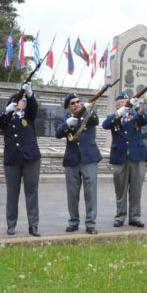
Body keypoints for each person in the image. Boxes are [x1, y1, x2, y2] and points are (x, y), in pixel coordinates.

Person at [0, 83, 42, 236]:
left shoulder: (28, 116)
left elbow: (34, 108)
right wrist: (7, 111)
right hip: (12, 160)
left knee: (31, 193)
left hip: (31, 159)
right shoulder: (6, 119)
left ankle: (33, 225)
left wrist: (30, 94)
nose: (20, 102)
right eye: (16, 101)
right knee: (12, 194)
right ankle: (11, 224)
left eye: (20, 100)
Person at [55, 93, 102, 234]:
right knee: (72, 194)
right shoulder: (65, 119)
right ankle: (73, 222)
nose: (76, 104)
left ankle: (91, 224)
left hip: (89, 158)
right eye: (73, 103)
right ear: (68, 107)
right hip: (72, 160)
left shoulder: (88, 115)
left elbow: (96, 121)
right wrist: (68, 124)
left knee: (91, 193)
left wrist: (89, 110)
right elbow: (57, 133)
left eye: (78, 102)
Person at [102, 91, 147, 228]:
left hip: (136, 156)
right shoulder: (114, 116)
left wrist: (139, 108)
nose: (125, 102)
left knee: (136, 190)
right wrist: (118, 113)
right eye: (122, 101)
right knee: (120, 190)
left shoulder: (135, 115)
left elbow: (145, 120)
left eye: (126, 101)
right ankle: (120, 216)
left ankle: (135, 217)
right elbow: (105, 125)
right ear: (118, 104)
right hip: (120, 157)